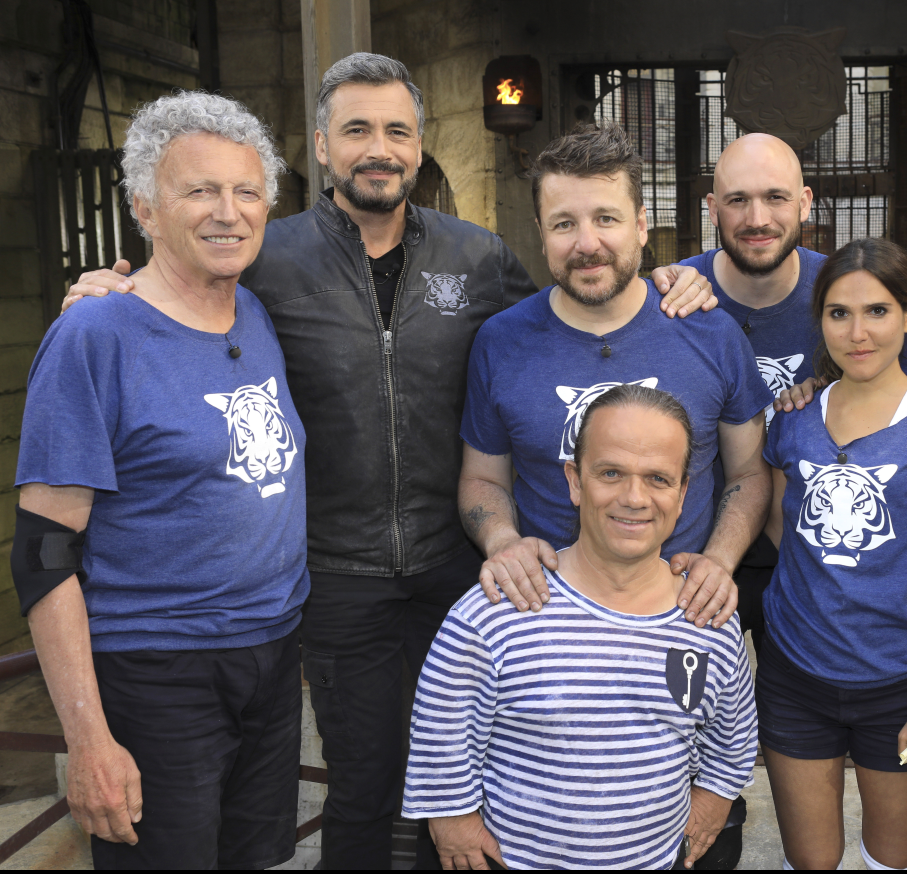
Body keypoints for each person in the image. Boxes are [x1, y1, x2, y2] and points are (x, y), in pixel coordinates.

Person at [58, 54, 714, 869]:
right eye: (357, 130)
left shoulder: (476, 258)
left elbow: (572, 308)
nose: (380, 148)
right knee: (367, 782)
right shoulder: (269, 256)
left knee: (474, 771)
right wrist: (113, 287)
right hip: (337, 573)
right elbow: (186, 287)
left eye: (398, 130)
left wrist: (676, 282)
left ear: (419, 145)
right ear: (322, 148)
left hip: (459, 565)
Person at [11, 92, 308, 869]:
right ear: (145, 206)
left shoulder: (253, 312)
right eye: (199, 190)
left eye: (247, 191)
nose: (228, 212)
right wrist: (88, 739)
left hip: (271, 657)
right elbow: (41, 553)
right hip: (158, 670)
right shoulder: (93, 334)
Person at [404, 384, 758, 870]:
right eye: (611, 473)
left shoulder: (708, 618)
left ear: (682, 494)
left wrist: (713, 802)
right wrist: (454, 822)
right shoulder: (501, 607)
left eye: (657, 478)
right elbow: (443, 729)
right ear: (575, 481)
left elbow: (731, 738)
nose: (634, 498)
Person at [460, 123, 772, 632]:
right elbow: (480, 479)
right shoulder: (501, 342)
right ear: (541, 234)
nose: (587, 244)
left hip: (683, 613)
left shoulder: (712, 334)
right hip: (545, 615)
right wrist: (502, 541)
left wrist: (719, 561)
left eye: (606, 218)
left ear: (642, 225)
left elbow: (749, 474)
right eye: (563, 224)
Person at [760, 238, 907, 870]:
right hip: (797, 675)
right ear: (820, 322)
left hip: (906, 680)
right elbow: (781, 527)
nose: (857, 331)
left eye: (876, 311)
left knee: (890, 861)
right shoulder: (793, 417)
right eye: (839, 313)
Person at [675, 133, 825, 657]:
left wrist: (839, 387)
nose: (757, 218)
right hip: (691, 563)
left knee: (800, 729)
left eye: (776, 197)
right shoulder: (671, 298)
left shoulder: (848, 296)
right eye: (737, 200)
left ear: (805, 202)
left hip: (812, 555)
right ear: (713, 209)